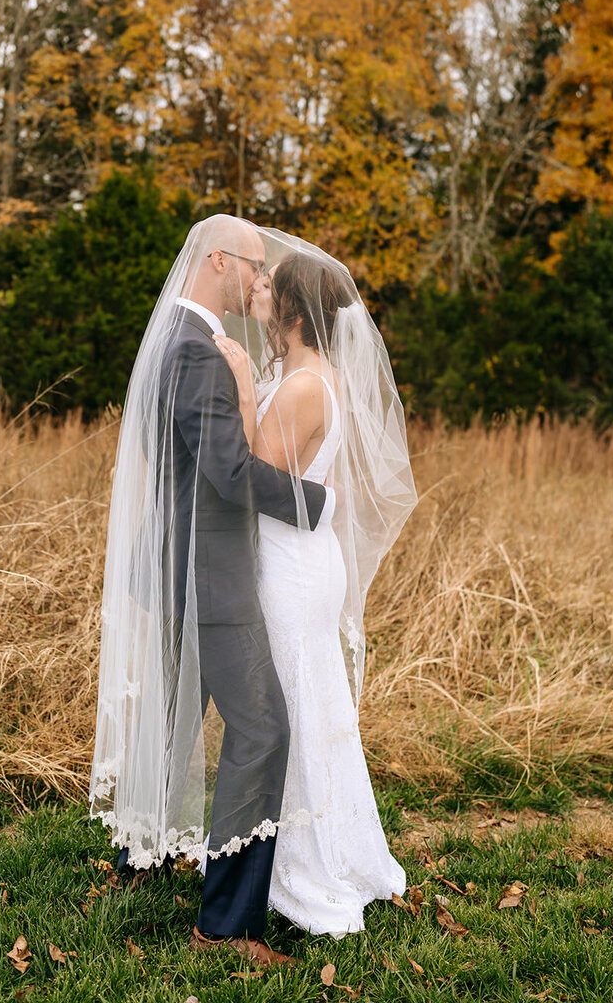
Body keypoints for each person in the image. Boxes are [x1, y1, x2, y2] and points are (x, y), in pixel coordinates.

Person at [89, 216, 337, 968]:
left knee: (171, 726)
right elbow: (230, 474)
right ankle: (226, 927)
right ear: (218, 261)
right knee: (263, 732)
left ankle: (139, 864)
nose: (259, 282)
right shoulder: (202, 352)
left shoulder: (172, 336)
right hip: (212, 575)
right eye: (253, 266)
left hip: (173, 566)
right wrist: (316, 505)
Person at [211, 250, 417, 937]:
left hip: (291, 565)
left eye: (270, 286)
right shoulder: (305, 373)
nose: (258, 291)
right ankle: (330, 848)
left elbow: (255, 480)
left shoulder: (302, 385)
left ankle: (304, 868)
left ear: (295, 311)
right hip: (302, 554)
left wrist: (242, 388)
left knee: (294, 705)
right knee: (311, 699)